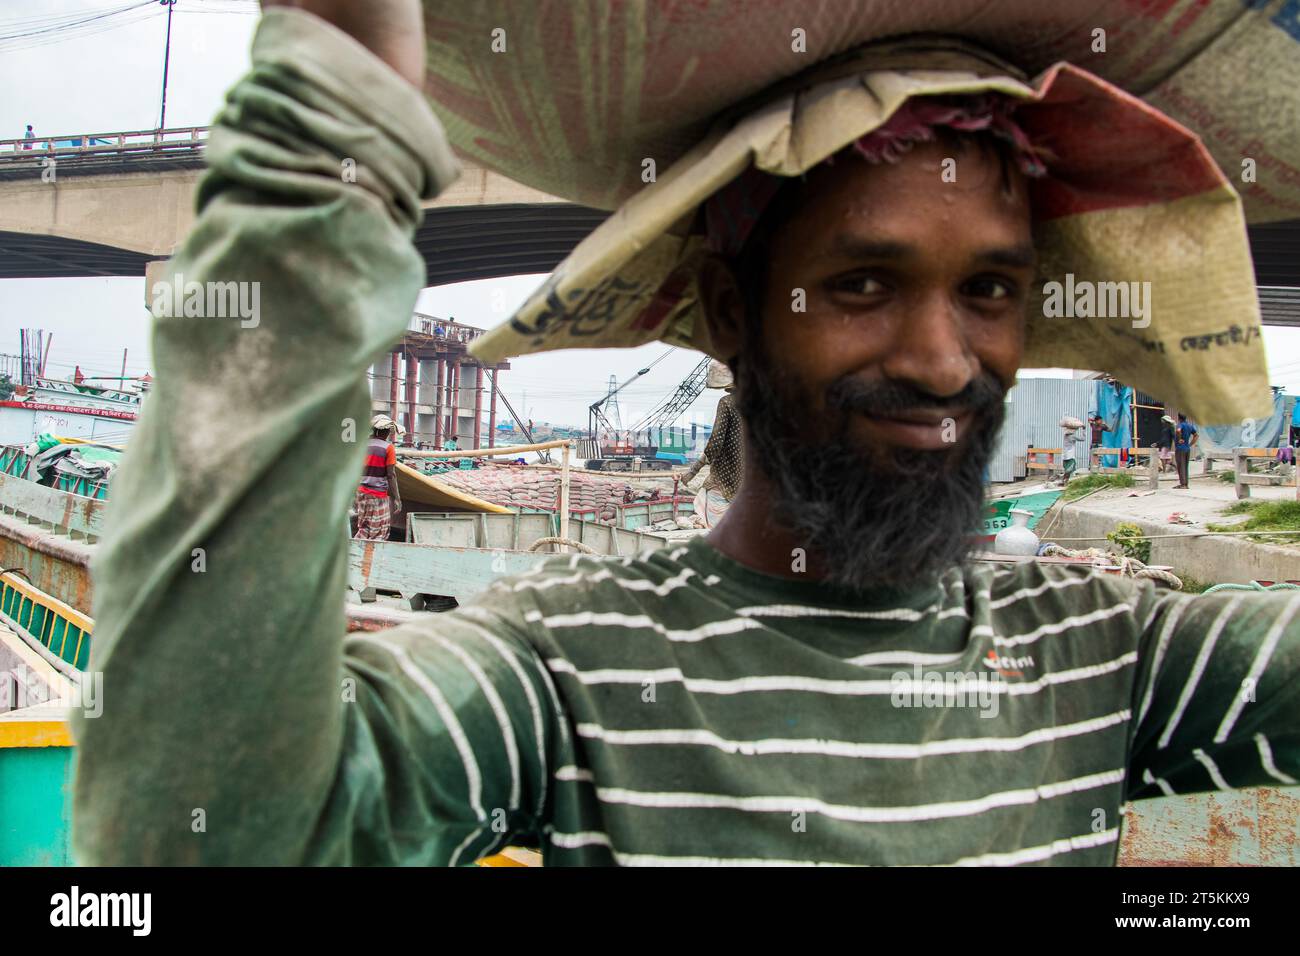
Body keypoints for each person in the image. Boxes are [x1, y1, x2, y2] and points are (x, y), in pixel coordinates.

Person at [74, 5, 1298, 867]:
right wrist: (319, 148)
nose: (941, 361)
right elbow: (213, 834)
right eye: (864, 285)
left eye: (988, 290)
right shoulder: (571, 669)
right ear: (730, 313)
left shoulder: (1113, 654)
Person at [681, 360, 743, 500]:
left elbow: (716, 442)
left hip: (727, 475)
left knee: (708, 507)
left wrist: (693, 471)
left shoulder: (727, 402)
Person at [353, 415, 401, 539]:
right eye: (388, 431)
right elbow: (391, 475)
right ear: (384, 431)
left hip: (361, 494)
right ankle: (370, 557)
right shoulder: (388, 448)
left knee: (364, 529)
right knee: (380, 532)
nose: (389, 434)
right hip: (378, 496)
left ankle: (356, 555)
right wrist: (397, 498)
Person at [1174, 413, 1198, 489]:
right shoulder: (1190, 426)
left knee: (1181, 466)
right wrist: (1190, 444)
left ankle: (1183, 484)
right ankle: (1185, 483)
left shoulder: (1180, 425)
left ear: (1179, 418)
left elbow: (1178, 430)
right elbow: (1196, 435)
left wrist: (1180, 438)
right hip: (1187, 448)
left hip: (1180, 449)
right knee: (1185, 466)